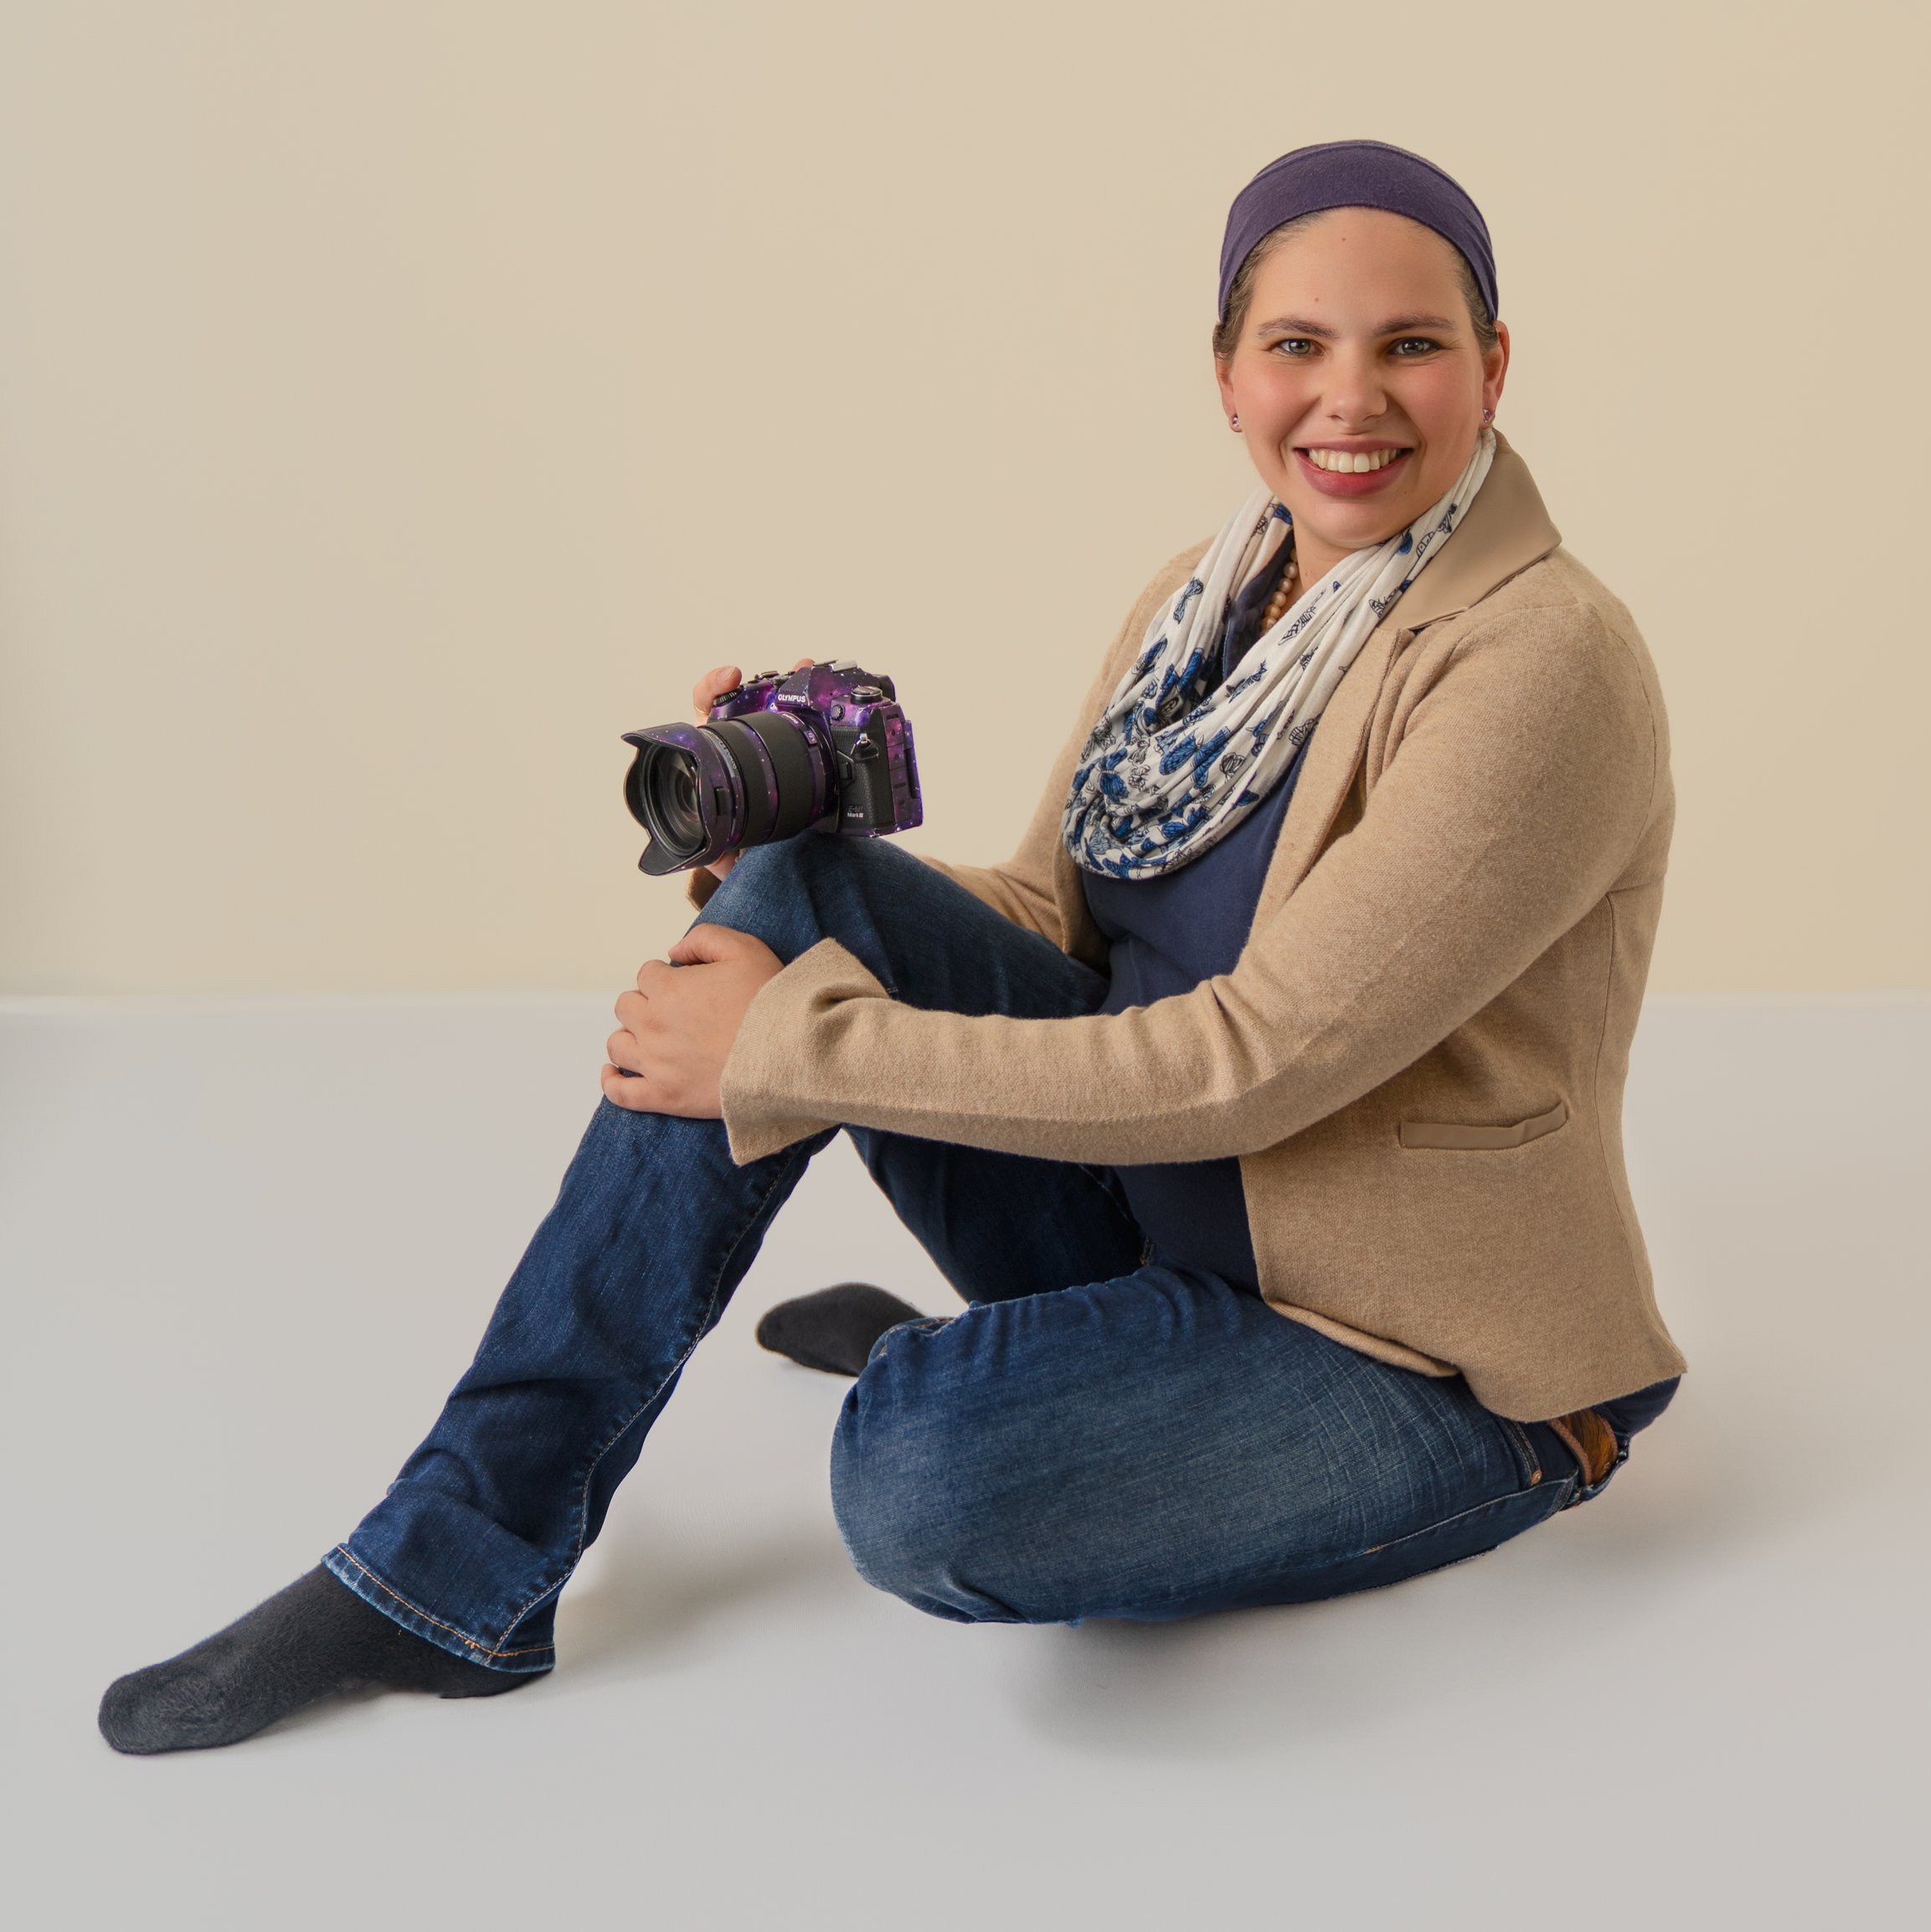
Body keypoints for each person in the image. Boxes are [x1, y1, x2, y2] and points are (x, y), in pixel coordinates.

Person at [100, 139, 1686, 1754]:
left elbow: (1255, 1061)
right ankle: (457, 1562)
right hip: (1149, 1229)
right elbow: (1055, 921)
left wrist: (792, 1048)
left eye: (1411, 344)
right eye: (1298, 344)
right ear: (1227, 379)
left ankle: (1011, 1374)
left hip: (1408, 1359)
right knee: (807, 886)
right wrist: (784, 863)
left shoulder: (1537, 659)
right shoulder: (1212, 600)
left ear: (1493, 367)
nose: (1352, 397)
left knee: (918, 1470)